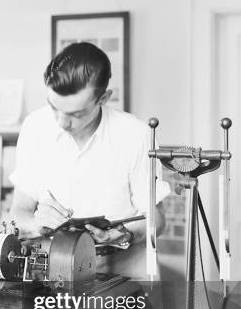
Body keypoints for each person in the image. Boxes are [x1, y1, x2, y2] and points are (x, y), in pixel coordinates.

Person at [9, 42, 169, 276]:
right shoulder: (34, 127)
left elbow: (158, 220)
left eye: (76, 113)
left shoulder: (136, 135)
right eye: (54, 107)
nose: (61, 122)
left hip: (123, 274)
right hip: (54, 272)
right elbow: (17, 214)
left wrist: (126, 234)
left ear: (104, 98)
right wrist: (36, 225)